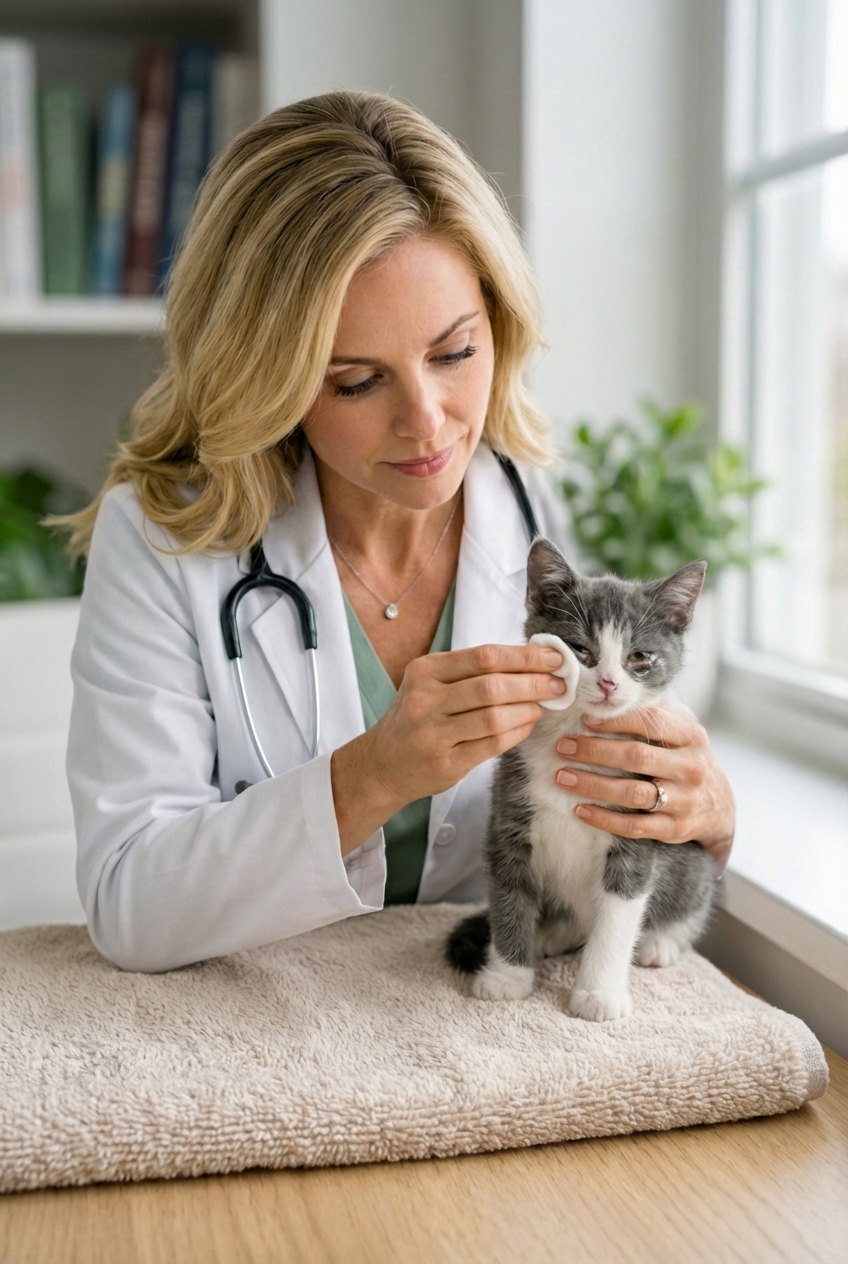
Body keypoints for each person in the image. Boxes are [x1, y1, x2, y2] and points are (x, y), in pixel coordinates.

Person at [64, 91, 735, 973]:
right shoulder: (158, 539)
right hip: (254, 1036)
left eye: (455, 353)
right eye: (354, 382)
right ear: (266, 379)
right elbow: (128, 907)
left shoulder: (526, 503)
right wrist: (369, 777)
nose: (428, 424)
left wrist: (702, 810)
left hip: (464, 1027)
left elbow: (577, 818)